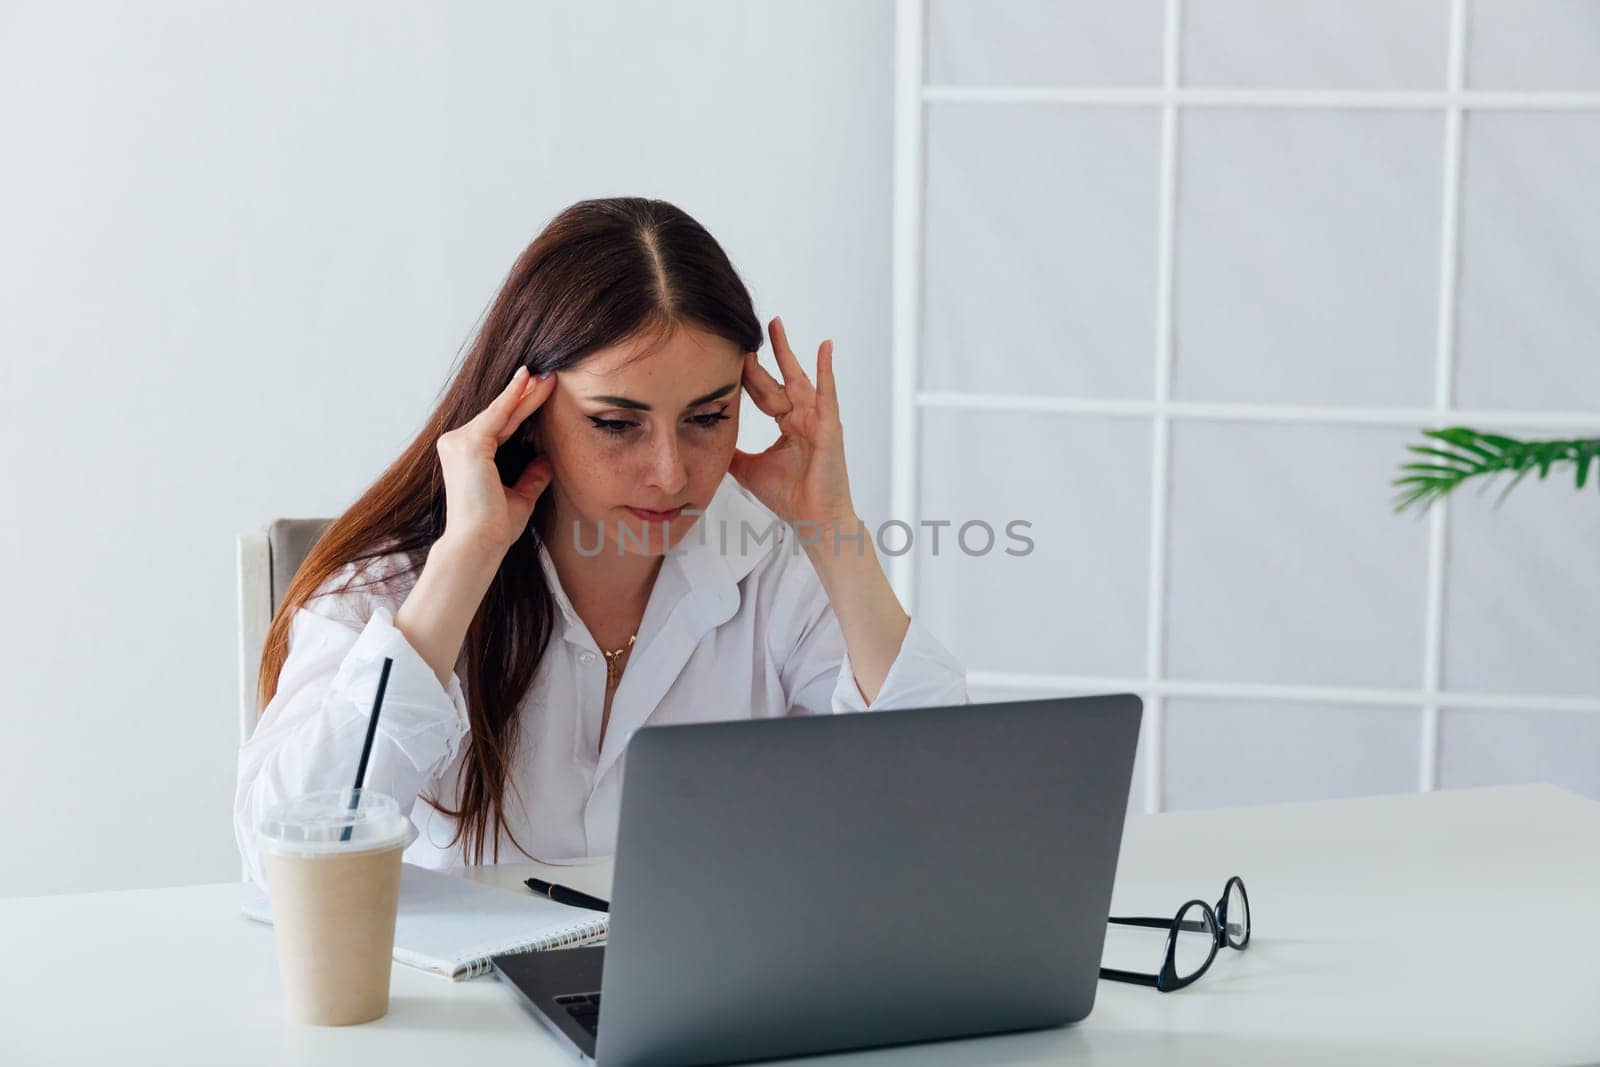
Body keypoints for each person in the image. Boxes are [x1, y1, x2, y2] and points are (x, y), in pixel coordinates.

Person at [234, 197, 968, 891]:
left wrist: (832, 527)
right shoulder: (393, 589)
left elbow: (944, 813)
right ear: (530, 409)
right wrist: (462, 566)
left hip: (705, 1010)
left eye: (708, 417)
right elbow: (284, 872)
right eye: (617, 424)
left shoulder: (772, 575)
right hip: (463, 1021)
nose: (671, 472)